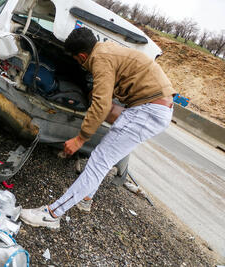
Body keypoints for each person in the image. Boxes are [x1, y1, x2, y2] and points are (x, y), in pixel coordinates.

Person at [20, 27, 176, 229]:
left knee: (99, 161)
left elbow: (101, 105)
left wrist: (80, 139)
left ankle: (52, 214)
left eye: (77, 60)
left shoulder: (100, 59)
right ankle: (85, 198)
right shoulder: (105, 50)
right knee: (104, 157)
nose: (79, 63)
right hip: (152, 107)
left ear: (82, 55)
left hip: (147, 111)